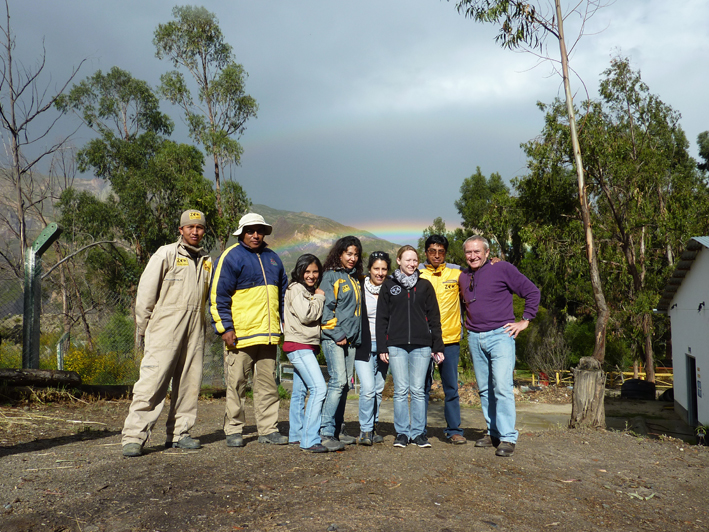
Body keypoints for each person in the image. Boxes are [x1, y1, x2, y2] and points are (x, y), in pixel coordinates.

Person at [122, 209, 211, 457]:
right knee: (153, 381)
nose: (195, 231)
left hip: (195, 327)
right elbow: (146, 294)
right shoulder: (166, 254)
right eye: (190, 227)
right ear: (180, 230)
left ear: (204, 231)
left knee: (189, 382)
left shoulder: (206, 260)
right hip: (165, 328)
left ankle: (179, 434)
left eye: (200, 227)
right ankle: (134, 437)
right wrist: (146, 327)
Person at [210, 212, 289, 447]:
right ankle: (234, 430)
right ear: (242, 233)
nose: (256, 235)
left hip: (268, 335)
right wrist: (225, 328)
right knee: (237, 384)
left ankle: (268, 429)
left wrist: (282, 324)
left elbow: (282, 296)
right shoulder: (231, 257)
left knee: (267, 385)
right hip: (240, 335)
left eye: (260, 230)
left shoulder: (273, 258)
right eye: (250, 231)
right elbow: (218, 296)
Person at [460, 236, 540, 457]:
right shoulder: (463, 275)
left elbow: (532, 292)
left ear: (487, 252)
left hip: (501, 335)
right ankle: (493, 431)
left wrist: (525, 320)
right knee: (485, 389)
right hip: (475, 337)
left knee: (502, 387)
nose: (473, 256)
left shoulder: (502, 268)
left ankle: (507, 438)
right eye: (469, 252)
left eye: (477, 251)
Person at [377, 245, 444, 448]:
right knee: (400, 390)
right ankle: (402, 434)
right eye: (407, 260)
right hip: (395, 345)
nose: (412, 264)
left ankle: (418, 434)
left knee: (417, 390)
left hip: (422, 346)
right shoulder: (388, 286)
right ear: (398, 261)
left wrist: (437, 346)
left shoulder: (425, 286)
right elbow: (382, 319)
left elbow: (434, 318)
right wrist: (383, 347)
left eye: (414, 260)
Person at [283, 254, 342, 453]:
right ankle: (309, 440)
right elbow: (307, 315)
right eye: (307, 271)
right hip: (299, 345)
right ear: (299, 271)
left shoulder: (302, 289)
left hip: (304, 345)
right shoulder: (296, 288)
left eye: (315, 271)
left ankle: (296, 434)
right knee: (319, 389)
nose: (311, 275)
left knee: (300, 392)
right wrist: (319, 296)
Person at [419, 235, 467, 444]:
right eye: (432, 251)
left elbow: (479, 277)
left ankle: (454, 430)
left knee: (451, 387)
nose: (436, 255)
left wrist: (494, 262)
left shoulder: (457, 273)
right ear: (426, 252)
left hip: (450, 340)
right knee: (422, 387)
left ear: (446, 253)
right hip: (423, 340)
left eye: (441, 251)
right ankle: (419, 430)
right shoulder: (417, 273)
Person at [319, 236, 363, 447]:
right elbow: (326, 312)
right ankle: (326, 432)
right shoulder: (330, 276)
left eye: (356, 254)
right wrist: (338, 335)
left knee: (345, 386)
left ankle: (338, 428)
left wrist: (354, 338)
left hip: (351, 341)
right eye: (349, 254)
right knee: (338, 383)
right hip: (334, 339)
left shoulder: (354, 279)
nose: (353, 258)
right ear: (339, 254)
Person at [354, 251, 391, 446]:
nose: (380, 273)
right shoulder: (360, 288)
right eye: (376, 268)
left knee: (377, 389)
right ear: (369, 269)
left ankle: (373, 426)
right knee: (367, 388)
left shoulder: (392, 289)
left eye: (384, 269)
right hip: (364, 346)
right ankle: (365, 430)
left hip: (385, 346)